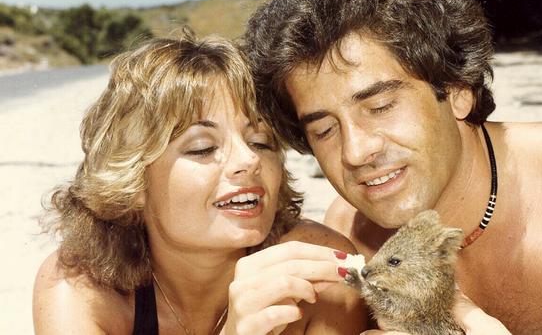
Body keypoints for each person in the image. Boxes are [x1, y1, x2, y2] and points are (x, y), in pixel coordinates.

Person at [242, 0, 542, 334]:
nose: (356, 150)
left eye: (381, 107)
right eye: (325, 129)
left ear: (457, 91)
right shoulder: (349, 234)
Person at [32, 29, 367, 335]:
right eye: (202, 148)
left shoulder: (318, 271)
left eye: (261, 142)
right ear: (132, 182)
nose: (249, 160)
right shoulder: (78, 290)